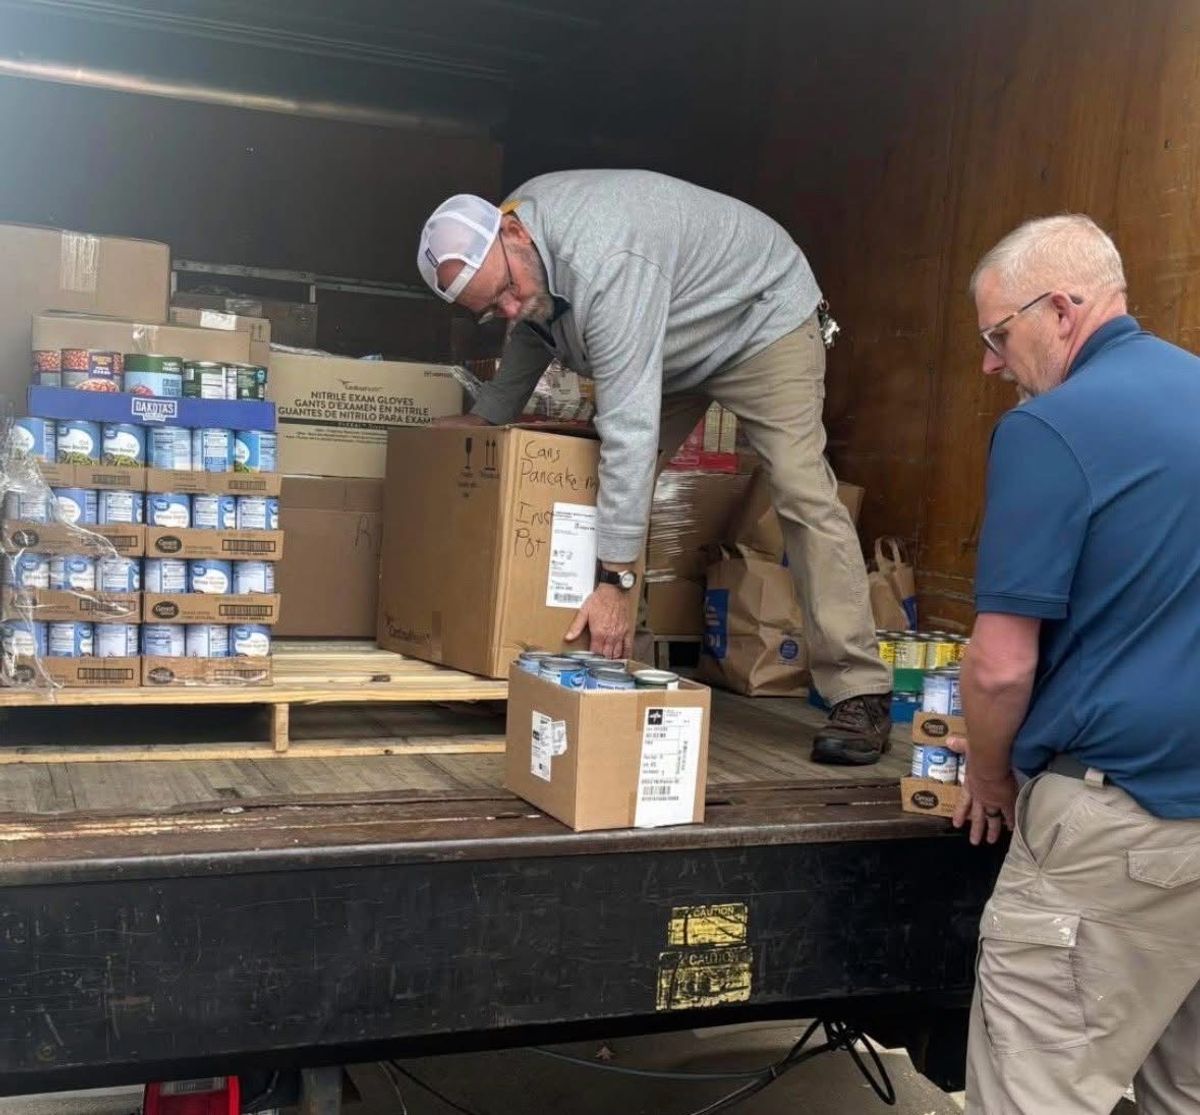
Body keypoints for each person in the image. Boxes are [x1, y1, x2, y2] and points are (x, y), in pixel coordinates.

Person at [416, 170, 892, 763]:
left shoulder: (605, 259)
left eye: (507, 290)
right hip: (670, 338)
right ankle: (615, 668)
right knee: (591, 482)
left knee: (800, 489)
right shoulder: (523, 256)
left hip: (757, 321)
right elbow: (535, 330)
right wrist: (488, 417)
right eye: (493, 309)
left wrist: (615, 580)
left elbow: (631, 431)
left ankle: (859, 688)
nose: (510, 308)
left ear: (513, 232)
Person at [957, 213, 1200, 1113]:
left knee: (1041, 1088)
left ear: (1062, 309)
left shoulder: (1049, 429)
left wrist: (989, 775)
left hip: (1117, 823)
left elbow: (1000, 666)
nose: (991, 362)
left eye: (997, 334)